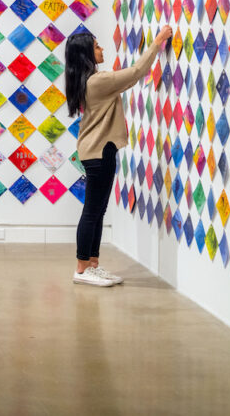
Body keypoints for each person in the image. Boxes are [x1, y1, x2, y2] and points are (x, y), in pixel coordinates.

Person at [65, 25, 172, 287]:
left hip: (100, 150)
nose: (101, 49)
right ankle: (82, 268)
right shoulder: (97, 82)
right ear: (86, 54)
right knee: (92, 211)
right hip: (99, 151)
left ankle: (92, 264)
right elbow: (135, 73)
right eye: (97, 46)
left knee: (98, 210)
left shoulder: (88, 81)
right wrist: (157, 43)